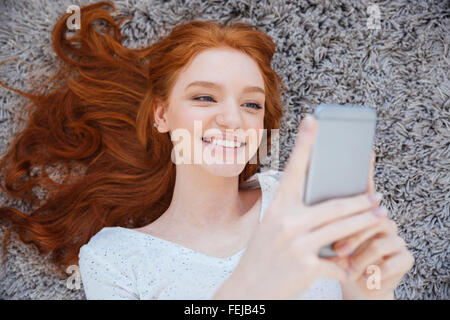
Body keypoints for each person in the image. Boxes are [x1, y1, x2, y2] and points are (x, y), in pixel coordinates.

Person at [0, 2, 414, 300]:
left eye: (251, 104)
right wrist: (253, 289)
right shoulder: (115, 260)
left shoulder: (299, 200)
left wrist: (369, 289)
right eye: (204, 98)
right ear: (161, 115)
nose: (232, 120)